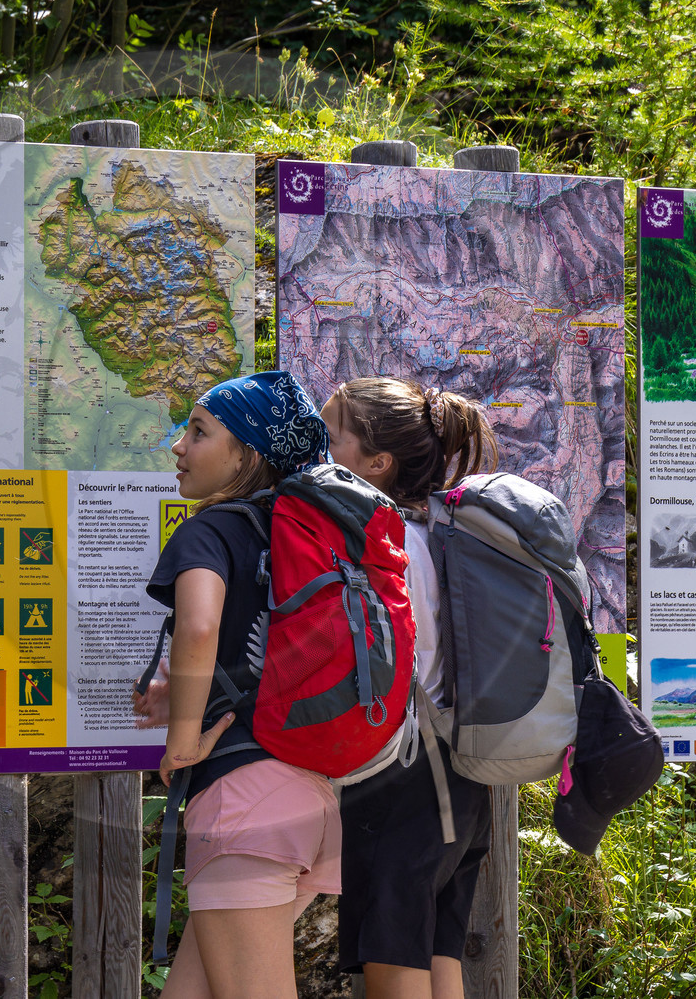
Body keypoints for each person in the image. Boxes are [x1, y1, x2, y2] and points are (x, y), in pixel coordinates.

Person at [133, 370, 336, 999]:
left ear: (247, 454)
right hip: (314, 795)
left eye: (198, 432)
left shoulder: (209, 531)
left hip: (245, 804)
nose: (179, 446)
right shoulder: (308, 533)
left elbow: (198, 627)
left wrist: (181, 740)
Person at [321, 377, 497, 999]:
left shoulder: (382, 543)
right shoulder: (445, 534)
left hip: (400, 776)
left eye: (330, 435)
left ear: (378, 462)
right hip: (462, 771)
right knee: (437, 954)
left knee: (393, 964)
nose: (320, 450)